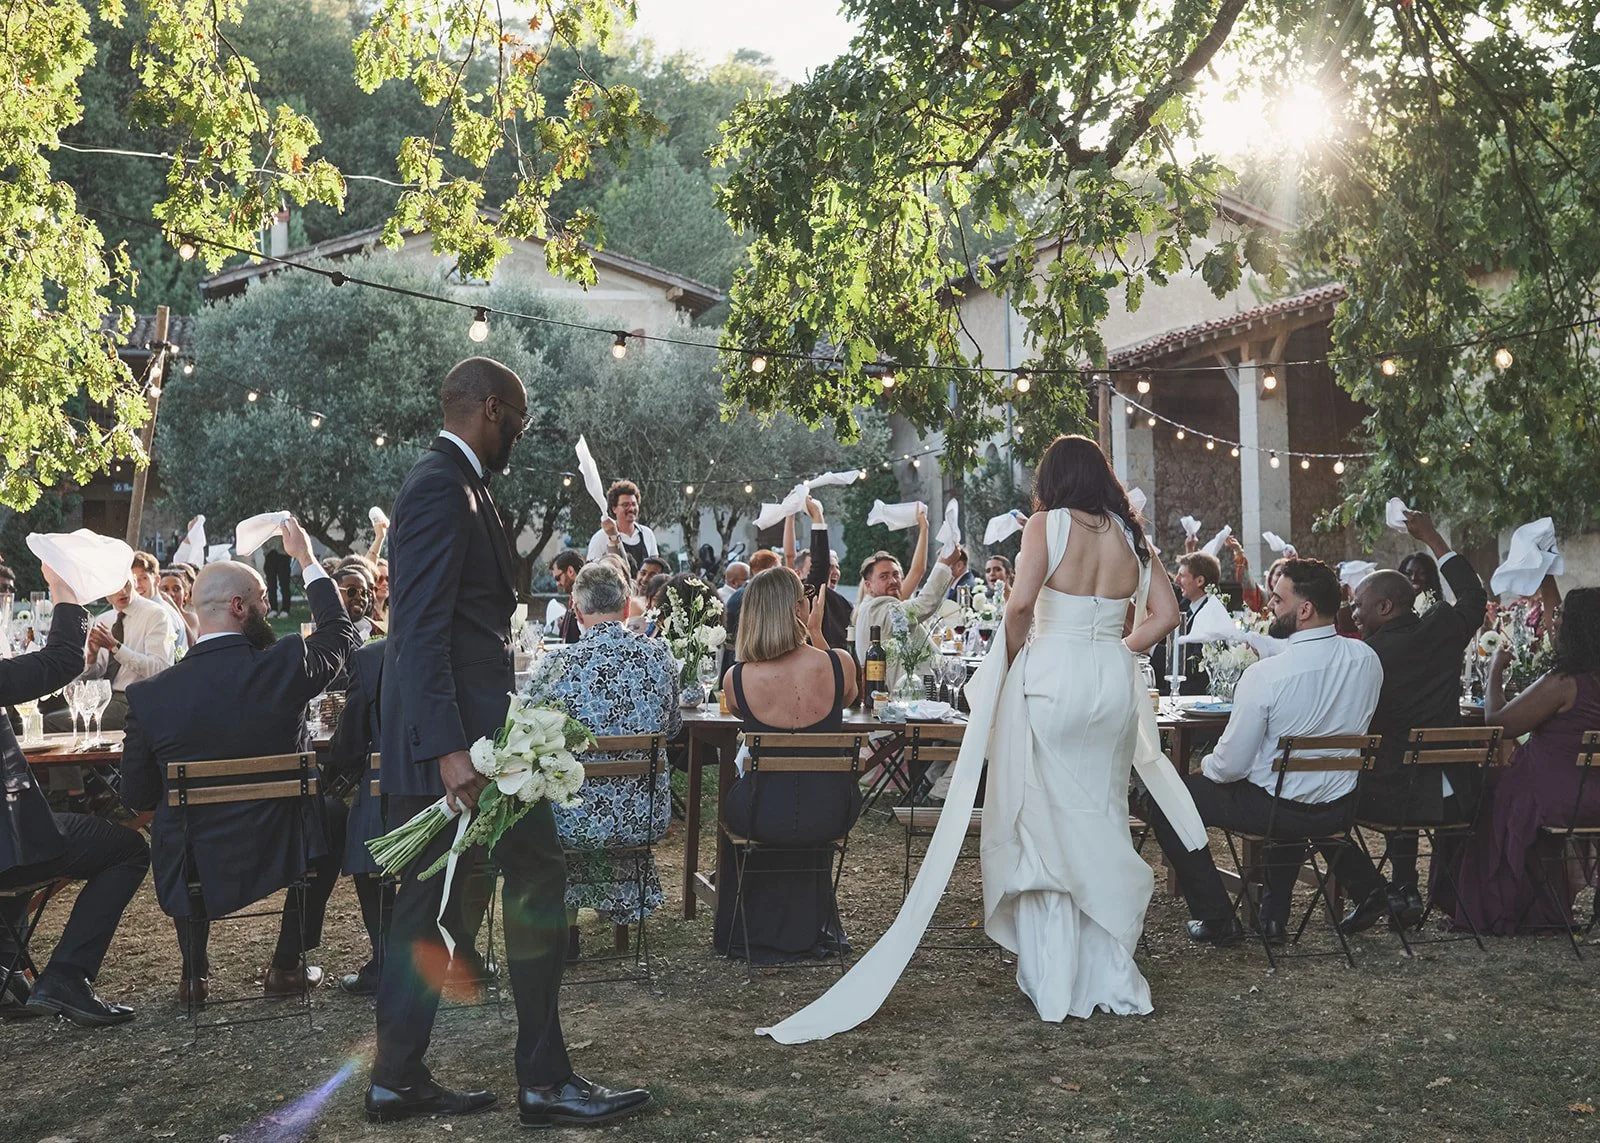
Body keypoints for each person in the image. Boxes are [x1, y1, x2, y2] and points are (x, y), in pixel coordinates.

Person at [754, 436, 1205, 1043]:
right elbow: (1167, 616)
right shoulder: (1131, 534)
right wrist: (1115, 650)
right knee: (1098, 816)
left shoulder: (1046, 524)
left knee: (1044, 822)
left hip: (1052, 678)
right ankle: (1108, 971)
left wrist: (1019, 661)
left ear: (1054, 479)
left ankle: (1055, 975)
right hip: (1112, 683)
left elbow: (1019, 606)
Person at [371, 357, 648, 1128]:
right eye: (518, 422)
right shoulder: (439, 486)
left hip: (479, 739)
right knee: (533, 884)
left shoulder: (459, 486)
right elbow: (417, 630)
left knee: (435, 909)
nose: (519, 437)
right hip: (463, 747)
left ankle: (398, 1077)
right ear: (490, 408)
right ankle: (544, 1079)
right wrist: (451, 748)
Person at [119, 521, 357, 1006]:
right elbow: (341, 635)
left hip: (196, 856)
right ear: (238, 606)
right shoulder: (286, 663)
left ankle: (193, 976)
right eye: (264, 598)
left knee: (170, 815)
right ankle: (287, 965)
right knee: (333, 815)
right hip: (284, 847)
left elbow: (137, 797)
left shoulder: (149, 697)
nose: (269, 607)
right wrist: (306, 560)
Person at [1146, 558, 1383, 945]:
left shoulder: (1266, 675)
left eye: (1277, 598)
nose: (1270, 605)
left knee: (1169, 801)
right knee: (1283, 787)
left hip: (1277, 810)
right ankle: (1273, 917)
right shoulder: (1368, 661)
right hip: (1338, 809)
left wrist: (1205, 766)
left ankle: (1217, 918)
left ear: (1304, 610)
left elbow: (1229, 767)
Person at [0, 560, 148, 1026]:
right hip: (13, 846)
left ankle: (4, 973)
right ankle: (65, 975)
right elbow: (64, 659)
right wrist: (65, 591)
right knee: (127, 849)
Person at [1334, 511, 1487, 934]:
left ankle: (1380, 891)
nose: (1353, 612)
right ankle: (1405, 889)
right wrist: (1434, 538)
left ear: (1384, 606)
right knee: (1401, 767)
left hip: (1392, 797)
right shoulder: (1442, 630)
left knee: (1317, 802)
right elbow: (1474, 597)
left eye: (1359, 605)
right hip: (1456, 794)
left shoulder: (1367, 658)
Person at [521, 563, 681, 960]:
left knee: (563, 794)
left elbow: (525, 729)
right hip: (643, 816)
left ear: (576, 613)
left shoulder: (559, 664)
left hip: (574, 820)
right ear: (628, 607)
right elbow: (673, 727)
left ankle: (567, 931)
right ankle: (621, 920)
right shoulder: (659, 657)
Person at [716, 567, 859, 962]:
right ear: (799, 607)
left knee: (733, 799)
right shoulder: (839, 664)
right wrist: (815, 632)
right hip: (830, 810)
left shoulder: (737, 678)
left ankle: (751, 927)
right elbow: (848, 698)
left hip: (765, 813)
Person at [1448, 586, 1600, 934]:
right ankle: (1536, 903)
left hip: (1560, 798)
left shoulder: (1564, 682)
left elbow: (1498, 723)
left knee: (1481, 792)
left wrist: (1494, 671)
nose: (1554, 622)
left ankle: (1493, 905)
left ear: (1578, 627)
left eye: (1560, 615)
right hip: (1592, 795)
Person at [328, 638, 390, 995]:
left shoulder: (371, 658)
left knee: (364, 827)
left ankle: (384, 960)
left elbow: (349, 750)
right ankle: (463, 956)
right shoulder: (470, 647)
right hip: (454, 801)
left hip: (387, 814)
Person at [43, 576, 178, 735]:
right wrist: (92, 656)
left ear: (134, 581)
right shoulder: (104, 620)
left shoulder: (156, 615)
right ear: (103, 591)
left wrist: (115, 647)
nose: (122, 591)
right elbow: (92, 676)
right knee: (47, 711)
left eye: (126, 584)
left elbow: (161, 669)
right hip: (104, 697)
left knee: (50, 722)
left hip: (138, 700)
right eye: (114, 587)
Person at [852, 517, 957, 694]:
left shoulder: (875, 606)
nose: (893, 580)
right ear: (868, 585)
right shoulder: (877, 607)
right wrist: (944, 564)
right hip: (906, 702)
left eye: (896, 575)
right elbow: (925, 604)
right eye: (884, 576)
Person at [797, 499, 851, 650]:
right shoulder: (803, 593)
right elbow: (820, 566)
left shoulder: (844, 604)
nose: (832, 571)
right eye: (828, 566)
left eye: (836, 566)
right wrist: (817, 516)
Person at [1169, 551, 1226, 695]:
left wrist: (1151, 649)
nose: (1176, 580)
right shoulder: (1190, 609)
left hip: (1194, 695)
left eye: (1182, 575)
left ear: (1200, 581)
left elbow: (1192, 665)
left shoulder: (1210, 613)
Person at [722, 549, 781, 673]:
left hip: (737, 662)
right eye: (779, 569)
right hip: (750, 663)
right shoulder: (757, 595)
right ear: (771, 569)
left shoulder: (741, 593)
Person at [586, 480, 660, 577]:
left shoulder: (647, 534)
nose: (631, 509)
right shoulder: (601, 537)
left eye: (634, 504)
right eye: (625, 505)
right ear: (614, 508)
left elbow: (655, 569)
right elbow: (590, 572)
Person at [158, 566, 201, 649]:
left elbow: (192, 644)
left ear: (185, 594)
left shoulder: (191, 617)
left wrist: (174, 609)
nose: (171, 594)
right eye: (165, 589)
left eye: (176, 589)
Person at [550, 550, 584, 645]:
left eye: (558, 578)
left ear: (570, 571)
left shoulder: (586, 598)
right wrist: (564, 623)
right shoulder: (574, 596)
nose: (557, 584)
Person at [262, 538, 294, 618]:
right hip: (270, 555)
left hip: (283, 555)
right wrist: (266, 550)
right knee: (271, 585)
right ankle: (273, 609)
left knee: (284, 584)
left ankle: (285, 609)